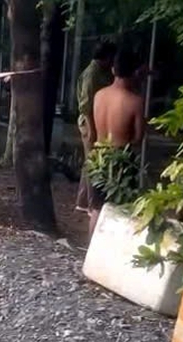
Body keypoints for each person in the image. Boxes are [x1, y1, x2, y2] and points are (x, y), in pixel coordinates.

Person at [88, 48, 145, 236]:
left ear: (113, 70)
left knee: (96, 208)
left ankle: (90, 250)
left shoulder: (99, 95)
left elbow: (93, 130)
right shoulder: (135, 101)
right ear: (136, 72)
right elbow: (138, 137)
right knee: (121, 210)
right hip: (121, 157)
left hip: (99, 155)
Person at [75, 41, 117, 213]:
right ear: (106, 57)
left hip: (95, 120)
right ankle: (92, 203)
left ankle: (83, 201)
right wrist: (92, 129)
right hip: (89, 121)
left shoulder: (101, 72)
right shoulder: (92, 74)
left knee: (90, 162)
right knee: (93, 164)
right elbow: (85, 105)